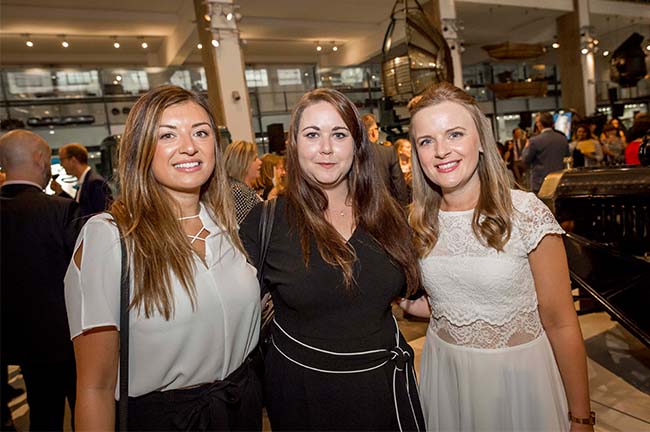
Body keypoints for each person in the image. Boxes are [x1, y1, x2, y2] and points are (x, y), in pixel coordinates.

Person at [64, 86, 262, 431]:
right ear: (141, 149)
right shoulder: (110, 238)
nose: (189, 146)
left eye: (201, 132)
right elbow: (95, 388)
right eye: (167, 134)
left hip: (240, 410)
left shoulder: (228, 226)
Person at [400, 83, 593, 431]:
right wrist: (410, 303)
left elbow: (561, 322)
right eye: (426, 141)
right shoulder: (418, 220)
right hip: (447, 377)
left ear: (480, 140)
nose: (441, 151)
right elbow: (460, 300)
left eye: (455, 134)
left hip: (518, 382)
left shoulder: (526, 213)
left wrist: (581, 417)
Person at [240, 88, 425, 431]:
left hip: (383, 391)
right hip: (305, 397)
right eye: (312, 135)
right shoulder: (267, 222)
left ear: (357, 145)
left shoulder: (388, 217)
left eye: (339, 135)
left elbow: (417, 294)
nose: (326, 148)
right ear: (294, 145)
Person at [0, 130, 81, 431]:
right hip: (69, 338)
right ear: (39, 159)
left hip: (20, 341)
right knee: (86, 411)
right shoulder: (61, 210)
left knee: (43, 415)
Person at [361, 113, 409, 205]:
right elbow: (399, 188)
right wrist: (402, 210)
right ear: (373, 132)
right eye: (376, 129)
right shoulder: (388, 152)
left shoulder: (350, 155)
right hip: (386, 208)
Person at [58, 143, 113, 218]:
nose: (61, 164)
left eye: (62, 160)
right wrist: (61, 192)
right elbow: (79, 207)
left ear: (73, 160)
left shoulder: (95, 183)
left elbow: (103, 215)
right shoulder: (86, 181)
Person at [522, 112, 570, 193]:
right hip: (559, 180)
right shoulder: (562, 139)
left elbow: (525, 159)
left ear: (539, 124)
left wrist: (526, 146)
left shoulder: (534, 141)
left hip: (541, 182)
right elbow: (567, 157)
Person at [223, 140, 262, 223]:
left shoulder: (239, 188)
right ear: (242, 163)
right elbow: (244, 227)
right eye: (255, 159)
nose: (260, 162)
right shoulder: (238, 191)